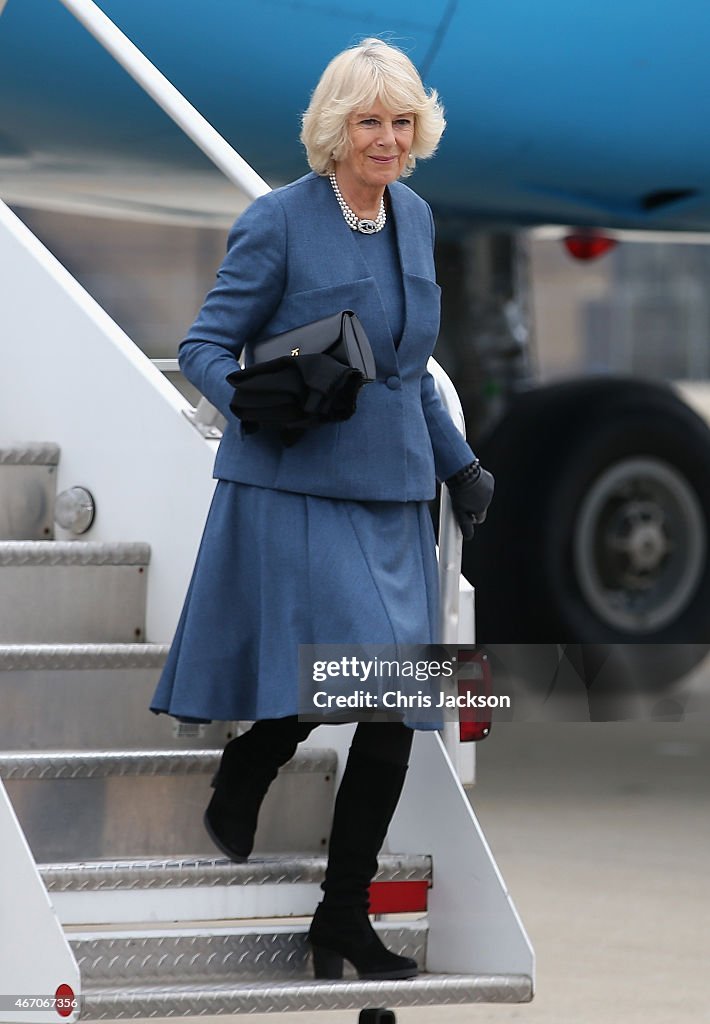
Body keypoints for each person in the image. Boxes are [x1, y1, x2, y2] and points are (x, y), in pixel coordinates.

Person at [150, 38, 494, 981]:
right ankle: (256, 758)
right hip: (298, 486)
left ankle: (340, 919)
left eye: (401, 122)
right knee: (356, 678)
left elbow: (410, 363)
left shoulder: (415, 218)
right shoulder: (279, 222)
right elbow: (205, 344)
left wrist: (460, 462)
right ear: (335, 131)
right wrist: (251, 397)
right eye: (369, 122)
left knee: (393, 708)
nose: (387, 138)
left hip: (393, 491)